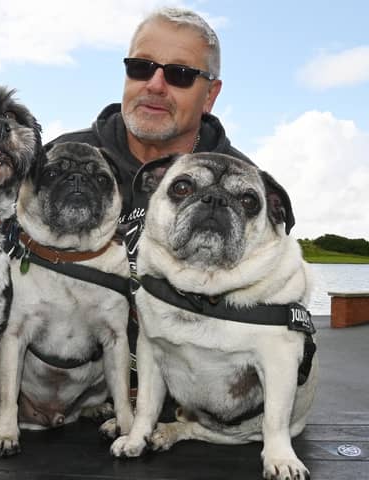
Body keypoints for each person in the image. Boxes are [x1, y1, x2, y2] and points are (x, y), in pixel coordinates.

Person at [46, 6, 253, 391]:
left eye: (180, 74)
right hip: (61, 391)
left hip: (186, 403)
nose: (155, 85)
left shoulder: (245, 188)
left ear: (210, 94)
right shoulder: (57, 160)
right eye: (141, 67)